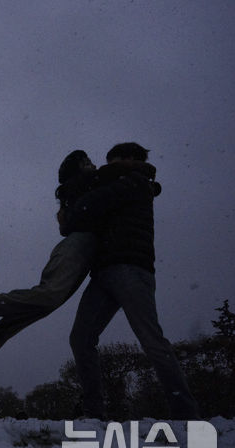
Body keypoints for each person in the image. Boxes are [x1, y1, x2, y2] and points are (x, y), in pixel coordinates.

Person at [65, 142, 199, 420]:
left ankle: (186, 414)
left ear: (128, 160)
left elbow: (87, 208)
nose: (106, 166)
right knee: (81, 339)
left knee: (150, 339)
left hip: (129, 269)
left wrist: (77, 189)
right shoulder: (125, 184)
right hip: (106, 272)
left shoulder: (135, 183)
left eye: (112, 160)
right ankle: (93, 413)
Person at [0, 150, 99, 371]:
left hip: (88, 254)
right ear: (77, 171)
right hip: (80, 246)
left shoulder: (86, 189)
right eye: (87, 163)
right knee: (48, 297)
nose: (93, 165)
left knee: (45, 305)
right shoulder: (91, 186)